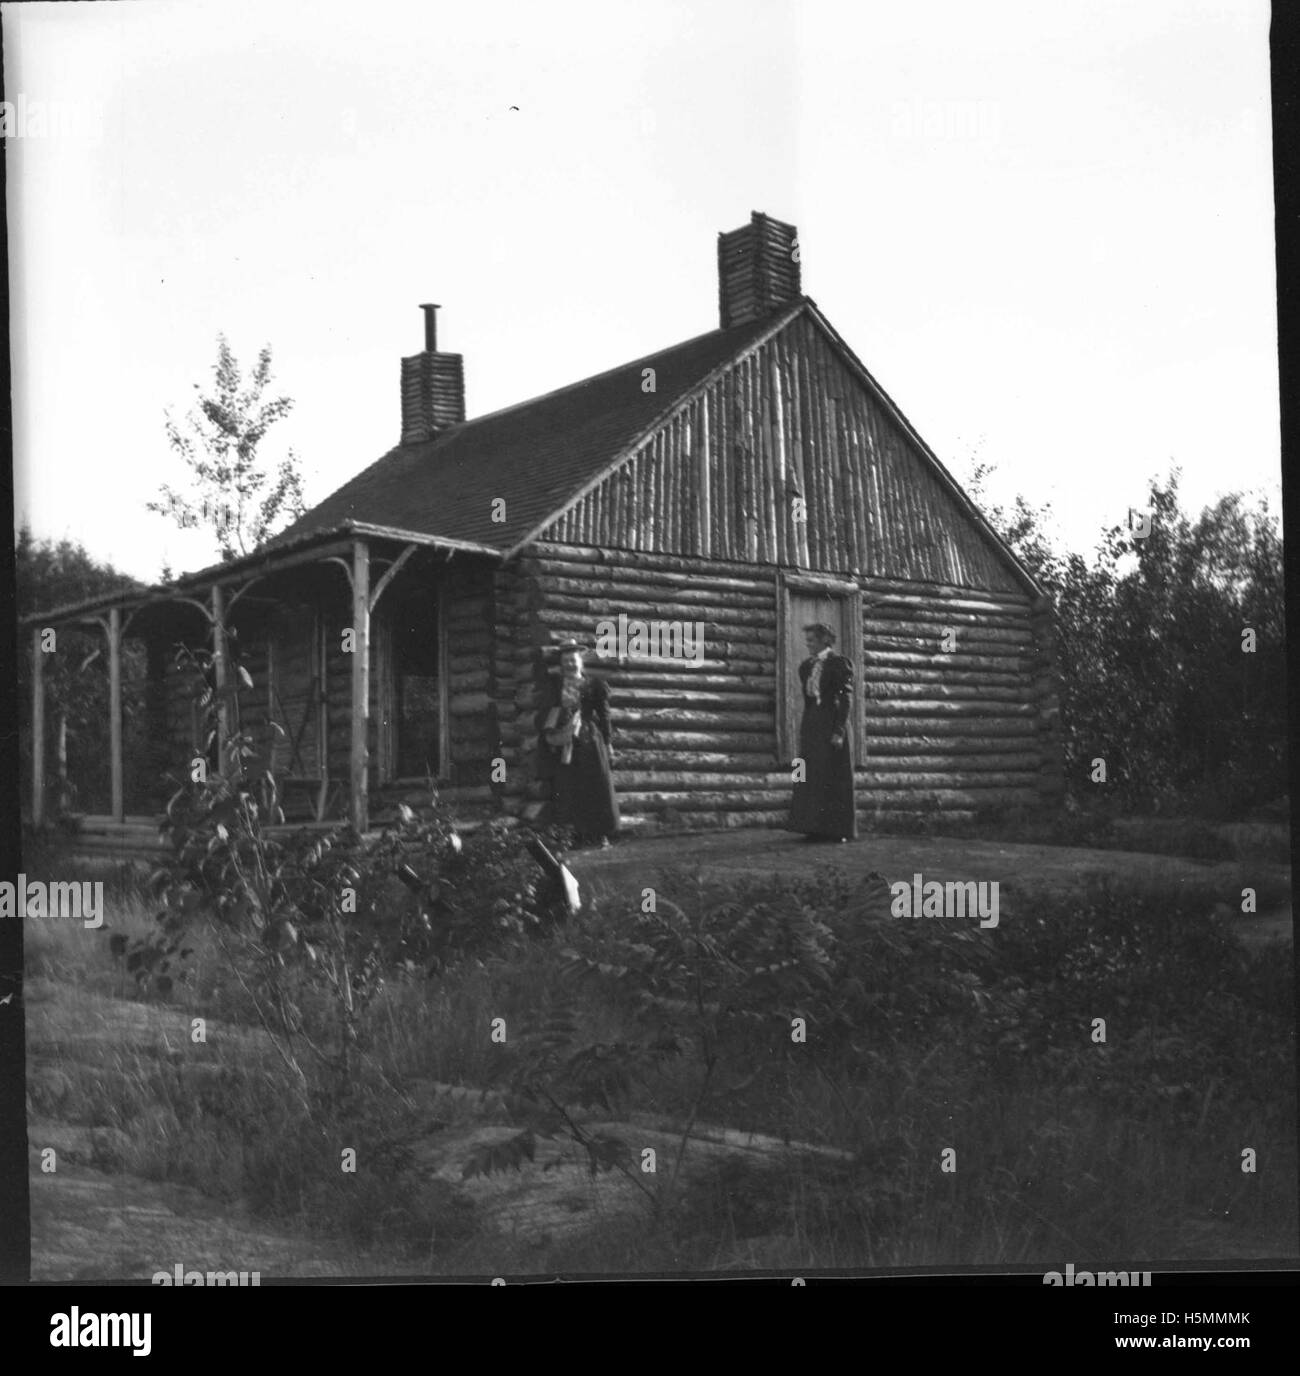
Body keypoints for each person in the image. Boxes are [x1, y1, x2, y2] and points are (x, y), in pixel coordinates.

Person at [535, 639, 620, 846]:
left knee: (595, 787)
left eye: (573, 661)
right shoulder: (555, 687)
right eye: (566, 661)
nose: (570, 665)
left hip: (589, 740)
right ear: (561, 664)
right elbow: (545, 712)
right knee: (569, 787)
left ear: (580, 662)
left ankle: (599, 835)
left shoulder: (593, 684)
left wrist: (608, 742)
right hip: (565, 742)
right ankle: (574, 836)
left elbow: (604, 715)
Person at [787, 622, 858, 842]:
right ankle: (813, 827)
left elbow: (845, 699)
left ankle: (838, 831)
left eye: (812, 640)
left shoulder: (839, 664)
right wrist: (806, 728)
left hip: (832, 722)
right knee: (811, 774)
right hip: (813, 725)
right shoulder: (806, 667)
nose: (807, 644)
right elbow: (810, 701)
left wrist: (839, 731)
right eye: (806, 640)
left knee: (833, 775)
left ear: (824, 641)